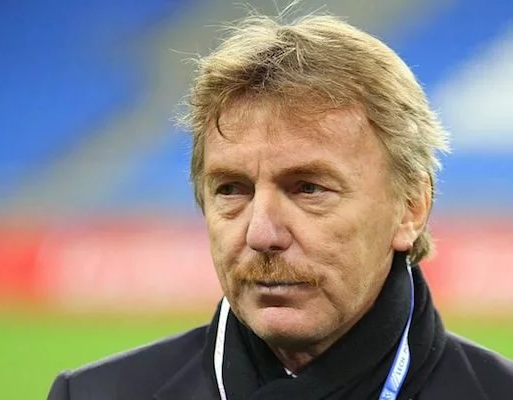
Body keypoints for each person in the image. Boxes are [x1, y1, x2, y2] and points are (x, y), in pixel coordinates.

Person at [47, 12, 513, 400]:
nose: (261, 233)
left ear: (410, 207)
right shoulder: (94, 394)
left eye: (308, 188)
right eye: (232, 189)